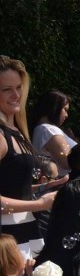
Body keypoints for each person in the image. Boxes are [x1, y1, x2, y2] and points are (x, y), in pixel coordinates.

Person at [0, 56, 57, 243]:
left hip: (26, 232)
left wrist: (44, 187)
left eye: (18, 87)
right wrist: (39, 204)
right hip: (7, 240)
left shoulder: (17, 130)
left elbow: (12, 185)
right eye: (7, 89)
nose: (16, 95)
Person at [30, 90, 80, 178]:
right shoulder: (49, 130)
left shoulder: (42, 129)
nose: (67, 115)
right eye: (65, 110)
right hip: (58, 183)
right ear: (54, 108)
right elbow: (68, 161)